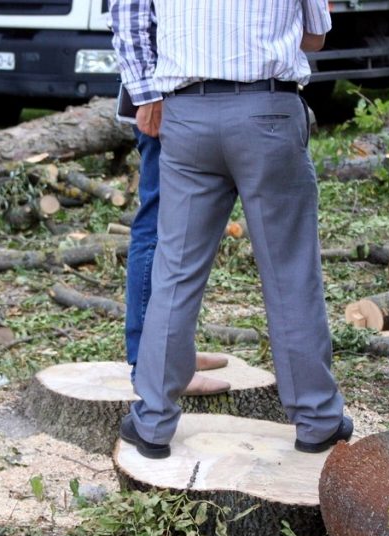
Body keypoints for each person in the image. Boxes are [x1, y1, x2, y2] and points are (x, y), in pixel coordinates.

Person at [111, 0, 352, 459]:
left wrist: (148, 90)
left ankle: (154, 420)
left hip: (186, 116)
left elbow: (127, 17)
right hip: (268, 111)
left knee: (175, 269)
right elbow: (315, 36)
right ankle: (317, 419)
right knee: (291, 272)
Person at [111, 4, 231, 398]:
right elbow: (129, 18)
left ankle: (173, 350)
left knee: (184, 232)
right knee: (159, 225)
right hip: (165, 98)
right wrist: (149, 96)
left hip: (191, 95)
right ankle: (147, 361)